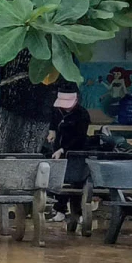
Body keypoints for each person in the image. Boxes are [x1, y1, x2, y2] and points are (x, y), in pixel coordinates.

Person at [45, 89, 91, 221]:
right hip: (58, 150)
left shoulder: (82, 114)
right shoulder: (57, 110)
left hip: (76, 152)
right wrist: (52, 131)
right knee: (60, 181)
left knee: (75, 183)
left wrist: (63, 149)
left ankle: (77, 213)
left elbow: (80, 136)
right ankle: (60, 210)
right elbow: (53, 122)